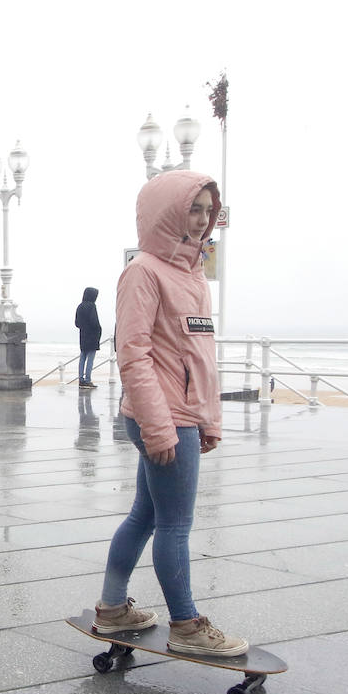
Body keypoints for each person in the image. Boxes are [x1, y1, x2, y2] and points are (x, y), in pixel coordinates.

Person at [92, 170, 247, 657]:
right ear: (169, 213)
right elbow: (132, 353)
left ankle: (113, 608)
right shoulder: (144, 271)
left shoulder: (193, 272)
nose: (203, 220)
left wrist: (210, 417)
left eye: (208, 210)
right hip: (160, 417)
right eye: (193, 209)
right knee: (175, 524)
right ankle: (186, 624)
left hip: (181, 415)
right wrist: (161, 428)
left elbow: (199, 354)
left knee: (145, 514)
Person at [75, 287, 102, 389]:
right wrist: (99, 330)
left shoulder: (80, 306)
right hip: (92, 335)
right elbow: (94, 322)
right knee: (90, 358)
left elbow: (76, 323)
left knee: (82, 357)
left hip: (83, 335)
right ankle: (88, 380)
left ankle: (81, 379)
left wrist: (84, 327)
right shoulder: (91, 306)